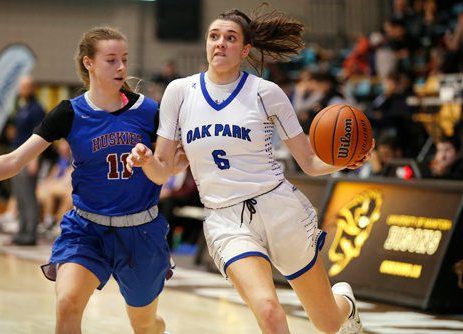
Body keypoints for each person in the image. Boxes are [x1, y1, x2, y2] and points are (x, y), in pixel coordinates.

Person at [127, 5, 374, 334]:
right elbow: (162, 172)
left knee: (328, 322)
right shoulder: (180, 92)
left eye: (230, 38)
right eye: (214, 36)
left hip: (279, 210)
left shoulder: (266, 93)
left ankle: (345, 301)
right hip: (226, 219)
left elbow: (310, 162)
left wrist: (345, 160)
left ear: (244, 49)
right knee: (270, 312)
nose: (220, 43)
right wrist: (146, 161)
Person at [0, 26, 183, 334]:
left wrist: (158, 161)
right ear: (89, 63)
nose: (121, 66)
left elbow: (169, 167)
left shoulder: (148, 111)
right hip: (87, 229)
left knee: (144, 324)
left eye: (124, 59)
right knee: (67, 303)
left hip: (140, 232)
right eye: (111, 59)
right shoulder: (69, 113)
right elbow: (14, 160)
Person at [10, 74, 46, 245]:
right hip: (17, 158)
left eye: (27, 86)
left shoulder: (37, 109)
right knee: (19, 195)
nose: (23, 90)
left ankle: (31, 233)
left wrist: (35, 160)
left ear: (33, 88)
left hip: (29, 159)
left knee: (29, 195)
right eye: (22, 86)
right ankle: (22, 229)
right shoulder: (22, 107)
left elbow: (40, 137)